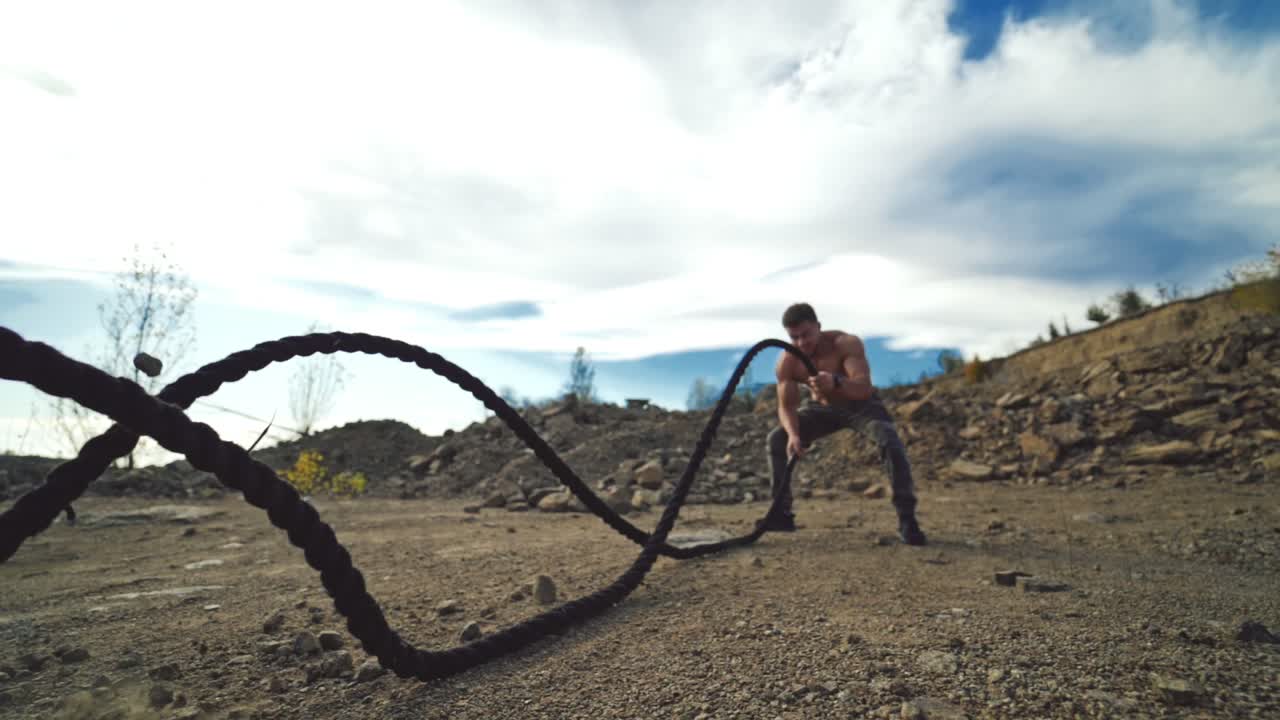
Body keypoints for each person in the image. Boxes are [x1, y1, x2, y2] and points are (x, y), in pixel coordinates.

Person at [761, 302, 927, 545]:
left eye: (806, 334)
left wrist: (836, 382)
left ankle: (907, 519)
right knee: (777, 439)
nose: (801, 343)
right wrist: (794, 435)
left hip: (861, 405)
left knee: (888, 438)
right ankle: (781, 515)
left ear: (818, 327)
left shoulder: (845, 344)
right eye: (794, 337)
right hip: (823, 409)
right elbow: (786, 407)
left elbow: (863, 387)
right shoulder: (788, 361)